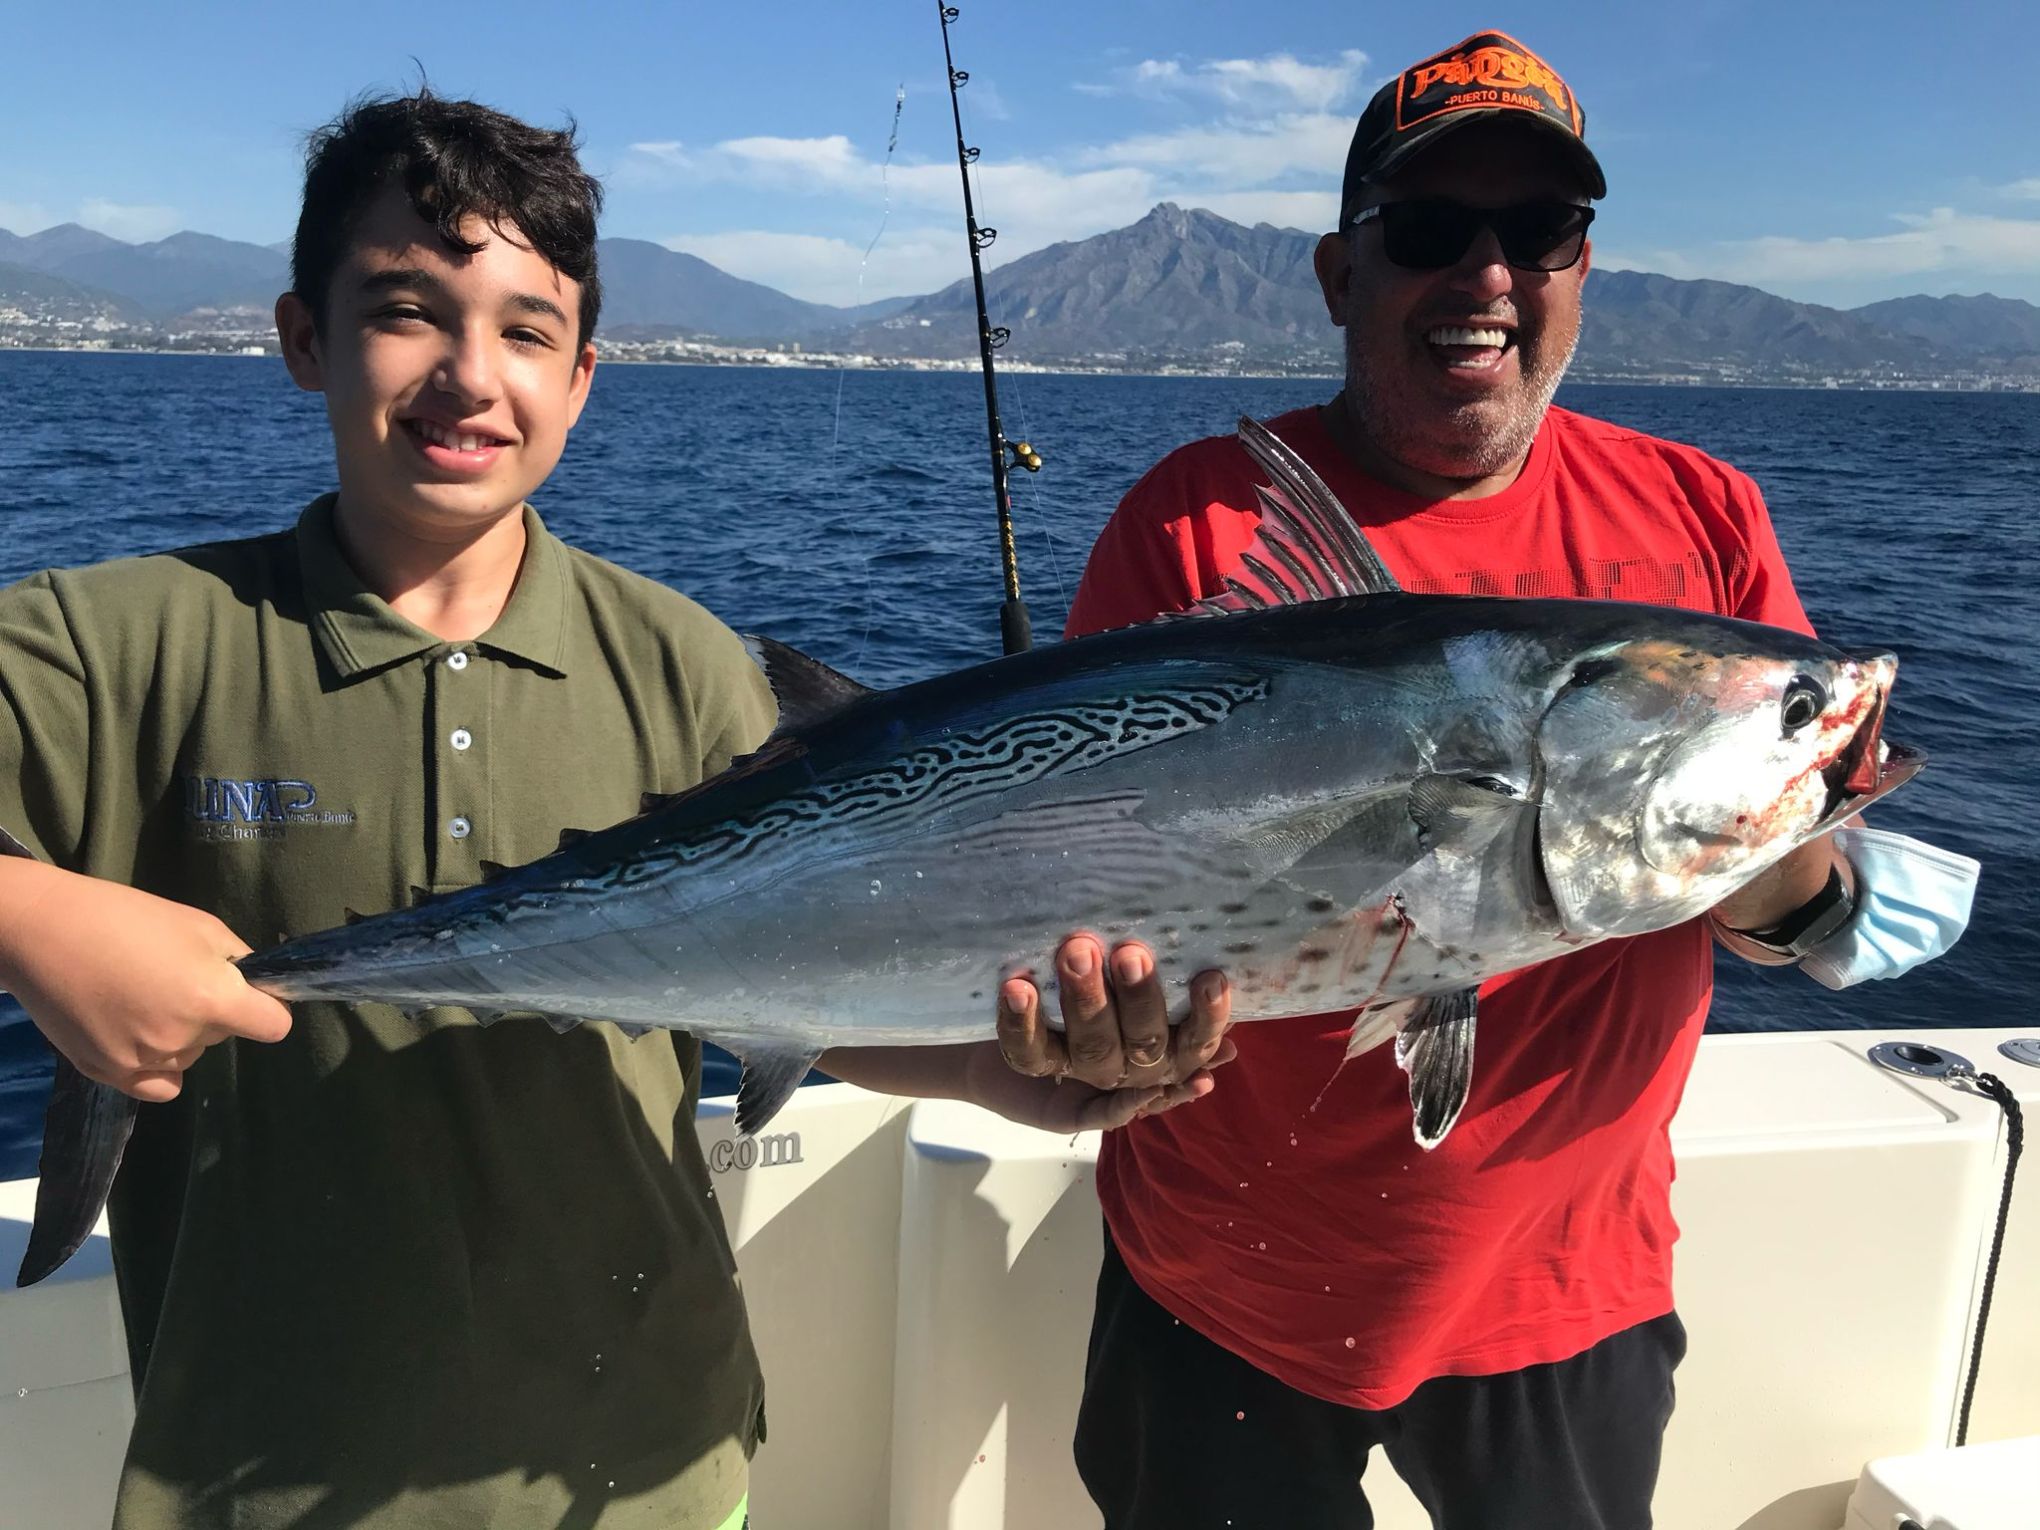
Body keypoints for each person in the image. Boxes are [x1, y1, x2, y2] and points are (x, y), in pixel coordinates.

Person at [986, 29, 1896, 1530]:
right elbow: (1077, 850)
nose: (1487, 271)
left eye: (1538, 232)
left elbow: (1807, 905)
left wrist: (1788, 864)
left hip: (1568, 1286)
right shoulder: (1197, 524)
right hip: (1219, 1280)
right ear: (1344, 274)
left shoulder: (1703, 518)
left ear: (1582, 271)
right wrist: (1077, 1024)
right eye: (1428, 230)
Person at [0, 89, 782, 1530]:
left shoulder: (693, 670)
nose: (468, 377)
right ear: (305, 337)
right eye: (408, 310)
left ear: (586, 377)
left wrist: (1030, 1067)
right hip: (254, 1482)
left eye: (527, 331)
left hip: (656, 1472)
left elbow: (821, 978)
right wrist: (27, 908)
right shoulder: (127, 642)